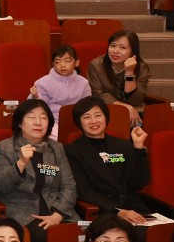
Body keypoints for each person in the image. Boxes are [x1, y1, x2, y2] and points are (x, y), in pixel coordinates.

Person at [0, 99, 79, 242]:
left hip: (56, 211)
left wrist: (58, 215)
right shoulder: (4, 148)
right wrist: (21, 163)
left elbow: (69, 186)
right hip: (23, 211)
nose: (38, 122)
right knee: (42, 237)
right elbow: (1, 185)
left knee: (81, 235)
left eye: (43, 118)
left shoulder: (56, 148)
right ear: (20, 122)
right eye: (32, 117)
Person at [65, 96, 153, 228]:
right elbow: (84, 191)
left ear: (106, 117)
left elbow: (139, 183)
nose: (93, 121)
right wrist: (117, 211)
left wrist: (138, 149)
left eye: (98, 115)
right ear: (79, 122)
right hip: (104, 211)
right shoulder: (72, 151)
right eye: (87, 117)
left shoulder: (123, 145)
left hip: (134, 208)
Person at [86, 29, 151, 122]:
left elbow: (135, 100)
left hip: (135, 110)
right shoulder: (96, 65)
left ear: (132, 51)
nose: (115, 51)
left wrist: (129, 73)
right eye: (112, 46)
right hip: (105, 110)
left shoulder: (141, 67)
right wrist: (125, 107)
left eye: (123, 47)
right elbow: (98, 94)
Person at [30, 45, 92, 140]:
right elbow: (38, 108)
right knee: (59, 138)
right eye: (57, 62)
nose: (62, 65)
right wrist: (36, 96)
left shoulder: (83, 82)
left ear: (76, 62)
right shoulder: (43, 82)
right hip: (53, 121)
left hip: (77, 120)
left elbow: (87, 105)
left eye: (67, 61)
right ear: (53, 64)